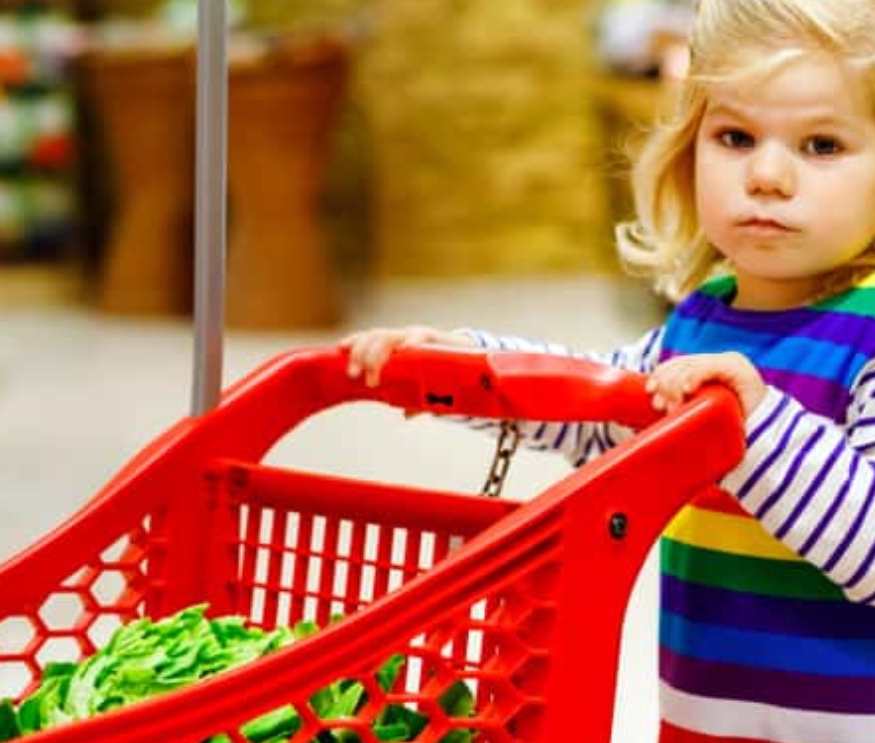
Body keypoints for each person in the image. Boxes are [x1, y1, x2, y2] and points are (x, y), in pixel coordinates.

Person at [342, 1, 875, 741]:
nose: (765, 175)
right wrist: (465, 363)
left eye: (821, 144)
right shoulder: (700, 322)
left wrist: (752, 422)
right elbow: (598, 410)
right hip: (700, 717)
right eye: (734, 137)